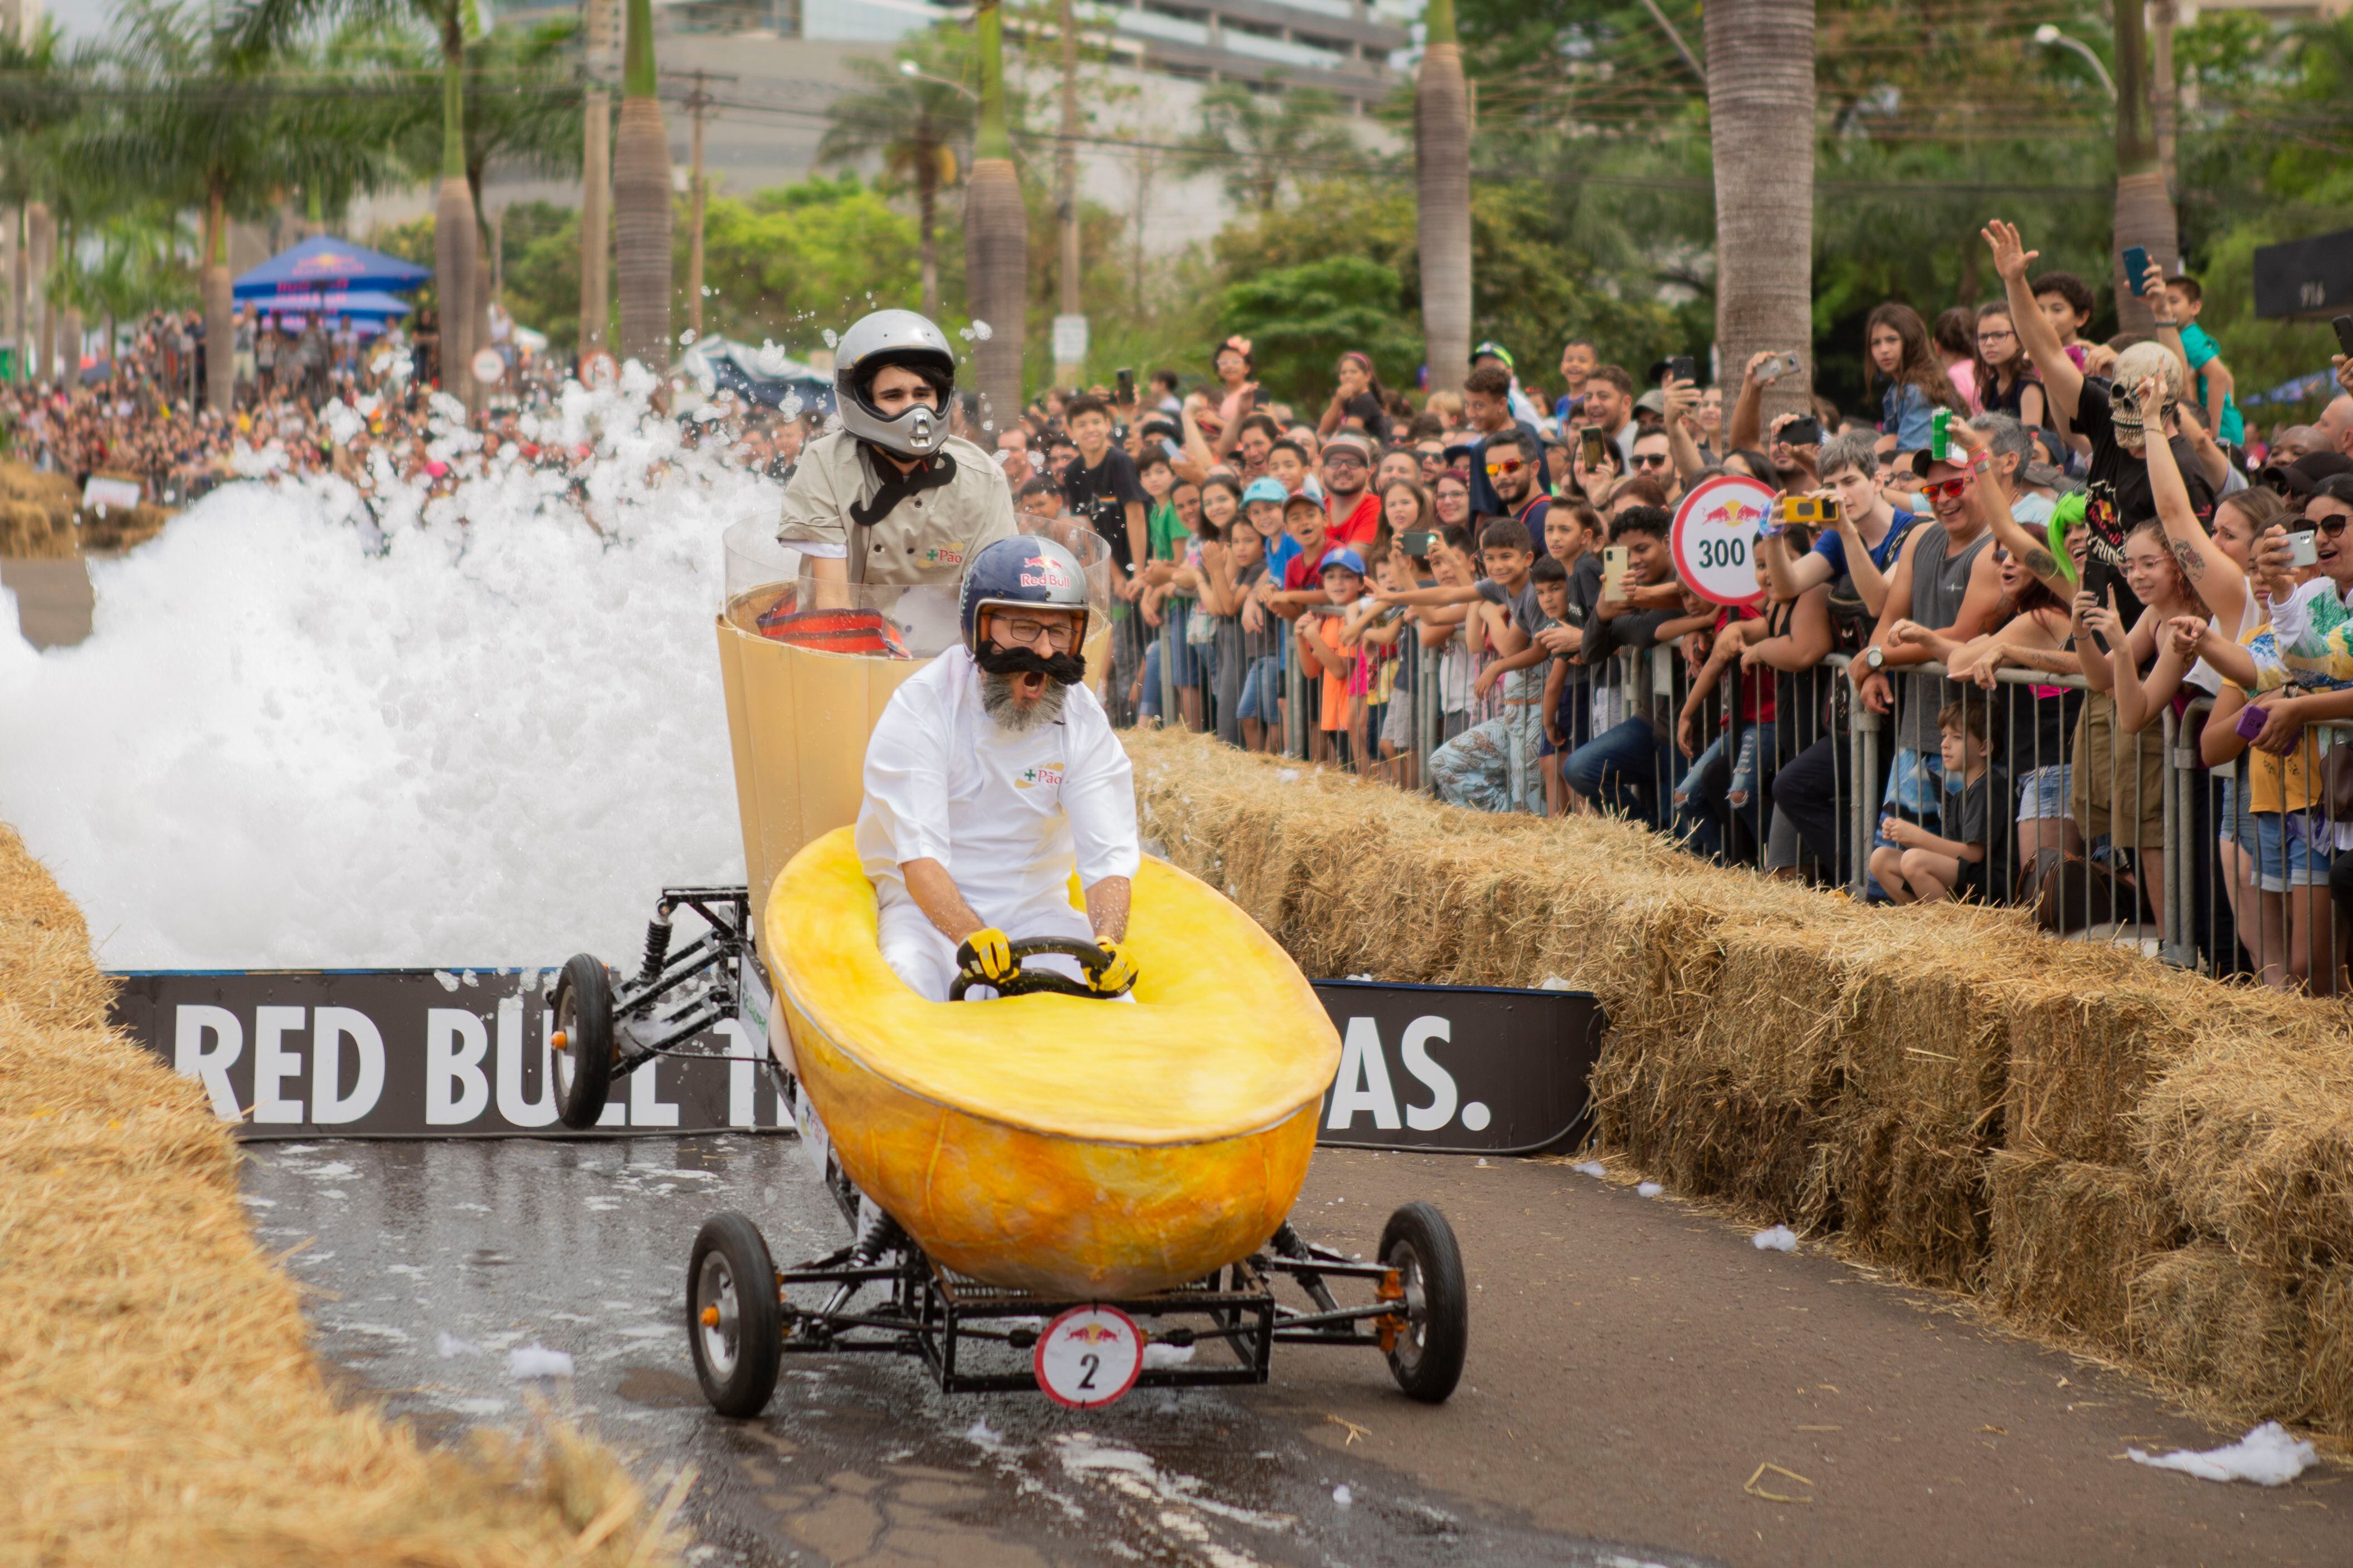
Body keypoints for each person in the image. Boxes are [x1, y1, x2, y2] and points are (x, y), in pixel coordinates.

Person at [857, 535, 1138, 1004]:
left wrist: (1108, 940)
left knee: (1114, 1006)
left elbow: (1107, 856)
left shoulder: (1083, 717)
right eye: (1025, 629)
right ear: (979, 626)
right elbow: (919, 858)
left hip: (1037, 912)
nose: (1045, 652)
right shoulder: (923, 706)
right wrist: (970, 933)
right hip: (926, 913)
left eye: (1060, 632)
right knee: (912, 984)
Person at [777, 309, 1017, 588]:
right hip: (848, 629)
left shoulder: (985, 477)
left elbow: (993, 591)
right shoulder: (825, 464)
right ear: (862, 401)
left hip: (945, 632)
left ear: (941, 398)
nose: (912, 409)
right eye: (893, 396)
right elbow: (832, 601)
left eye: (922, 394)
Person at [1864, 302, 1964, 458]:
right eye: (1876, 343)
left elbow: (1912, 458)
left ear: (1910, 341)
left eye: (1892, 340)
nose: (1883, 350)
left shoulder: (1917, 390)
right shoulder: (1897, 389)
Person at [2164, 275, 2243, 453]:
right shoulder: (2195, 335)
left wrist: (2211, 435)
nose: (2167, 308)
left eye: (2174, 301)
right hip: (2231, 428)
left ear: (2195, 307)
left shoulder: (2188, 338)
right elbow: (2229, 379)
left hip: (2220, 435)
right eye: (2164, 302)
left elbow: (2220, 377)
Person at [1463, 365, 1545, 518]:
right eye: (1467, 404)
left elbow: (1483, 515)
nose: (1470, 413)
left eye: (1479, 405)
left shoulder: (1483, 449)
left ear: (1502, 404)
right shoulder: (1530, 431)